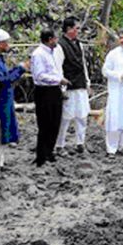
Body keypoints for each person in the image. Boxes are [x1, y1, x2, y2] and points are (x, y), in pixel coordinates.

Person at [0, 29, 30, 177]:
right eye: (7, 42)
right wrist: (20, 69)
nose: (9, 45)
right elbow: (3, 80)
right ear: (1, 44)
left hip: (5, 99)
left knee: (3, 130)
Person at [31, 28, 70, 167]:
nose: (57, 41)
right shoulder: (39, 54)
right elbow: (39, 75)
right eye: (55, 38)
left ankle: (50, 151)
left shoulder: (53, 53)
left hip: (55, 90)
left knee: (55, 122)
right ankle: (41, 155)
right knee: (45, 124)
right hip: (44, 91)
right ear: (49, 39)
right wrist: (58, 80)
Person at [54, 16, 91, 154]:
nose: (78, 31)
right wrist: (61, 87)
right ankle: (59, 144)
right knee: (65, 117)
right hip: (68, 85)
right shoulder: (59, 46)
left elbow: (83, 65)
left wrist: (87, 82)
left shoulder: (79, 44)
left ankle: (80, 142)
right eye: (77, 28)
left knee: (82, 115)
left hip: (80, 84)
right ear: (69, 29)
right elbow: (58, 68)